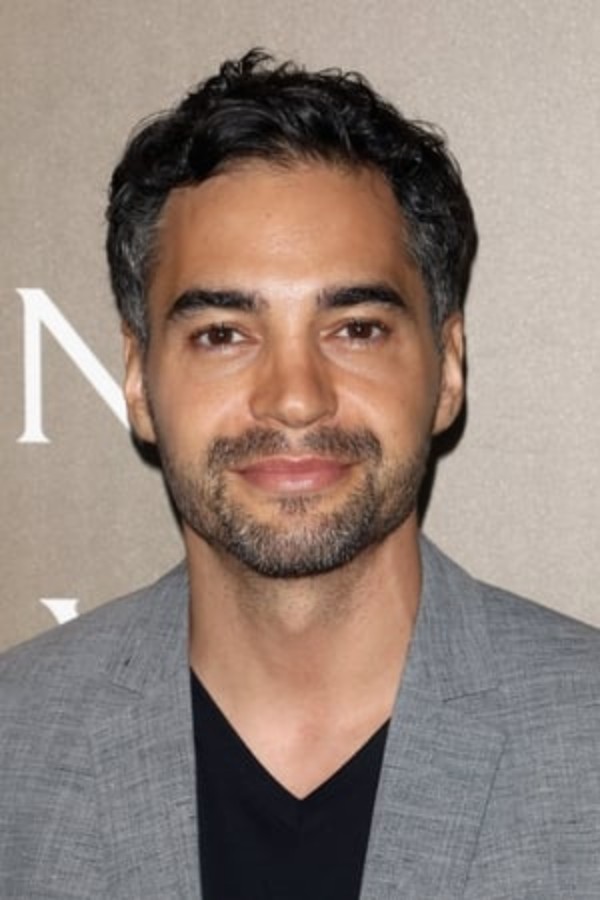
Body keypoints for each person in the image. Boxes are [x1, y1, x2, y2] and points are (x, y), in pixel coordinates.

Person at [1, 49, 599, 900]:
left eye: (355, 328)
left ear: (448, 369)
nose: (293, 398)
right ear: (136, 381)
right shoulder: (16, 741)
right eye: (222, 334)